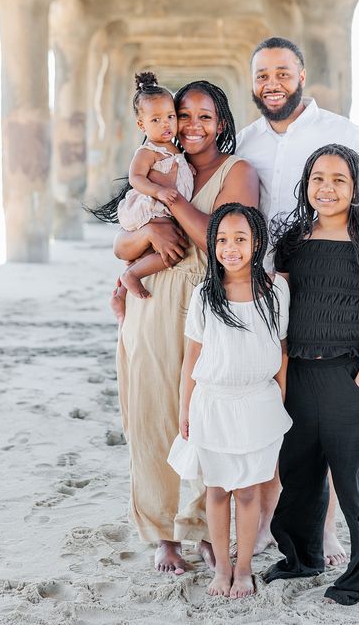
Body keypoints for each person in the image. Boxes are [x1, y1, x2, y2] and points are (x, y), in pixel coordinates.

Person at [236, 36, 359, 564]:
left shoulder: (342, 133)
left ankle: (329, 532)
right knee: (284, 418)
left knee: (334, 427)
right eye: (263, 74)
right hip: (270, 292)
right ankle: (274, 525)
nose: (272, 83)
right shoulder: (244, 142)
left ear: (301, 76)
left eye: (283, 73)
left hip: (337, 297)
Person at [111, 81, 259, 574]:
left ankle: (202, 529)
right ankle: (161, 534)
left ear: (222, 124)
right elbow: (120, 246)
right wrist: (147, 233)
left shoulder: (238, 173)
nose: (191, 126)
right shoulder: (158, 166)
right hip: (154, 302)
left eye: (205, 117)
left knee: (202, 415)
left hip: (208, 302)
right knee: (153, 413)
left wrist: (171, 206)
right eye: (183, 115)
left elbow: (216, 238)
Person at [263, 143, 359, 605]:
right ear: (306, 185)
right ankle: (301, 557)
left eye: (339, 179)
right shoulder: (292, 242)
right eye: (318, 178)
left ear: (357, 187)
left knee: (352, 480)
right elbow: (280, 312)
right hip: (299, 373)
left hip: (349, 374)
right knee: (298, 473)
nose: (327, 188)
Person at [167, 203, 292, 598]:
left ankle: (243, 569)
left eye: (240, 239)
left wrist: (281, 403)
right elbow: (192, 357)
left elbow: (282, 352)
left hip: (259, 403)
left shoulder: (276, 291)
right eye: (222, 239)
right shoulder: (206, 294)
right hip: (214, 404)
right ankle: (221, 569)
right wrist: (185, 408)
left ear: (257, 244)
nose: (230, 247)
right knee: (218, 490)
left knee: (251, 491)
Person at [89, 71, 194, 315]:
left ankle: (123, 290)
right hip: (152, 209)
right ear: (141, 124)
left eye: (170, 116)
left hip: (166, 209)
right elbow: (136, 178)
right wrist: (158, 190)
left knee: (157, 252)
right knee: (173, 251)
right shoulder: (148, 151)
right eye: (155, 120)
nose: (165, 124)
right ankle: (131, 275)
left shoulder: (176, 150)